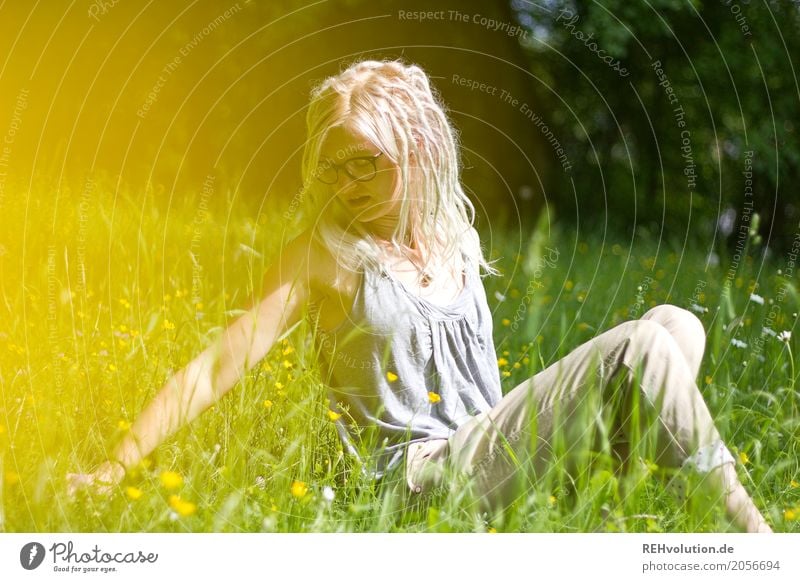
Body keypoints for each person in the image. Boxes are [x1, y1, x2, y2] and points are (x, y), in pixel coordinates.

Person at [67, 59, 771, 533]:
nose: (348, 182)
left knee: (675, 323)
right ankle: (753, 540)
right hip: (416, 483)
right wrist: (113, 468)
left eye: (365, 160)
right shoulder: (322, 257)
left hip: (486, 450)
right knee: (640, 347)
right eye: (334, 166)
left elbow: (486, 410)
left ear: (418, 146)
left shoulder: (455, 239)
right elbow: (217, 366)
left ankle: (608, 512)